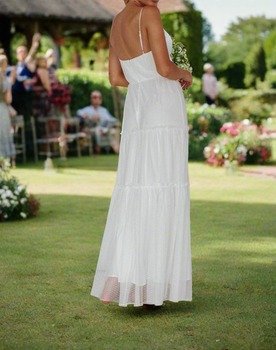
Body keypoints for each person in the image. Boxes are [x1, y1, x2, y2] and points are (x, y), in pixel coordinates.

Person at [90, 0, 193, 308]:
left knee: (137, 188)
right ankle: (151, 288)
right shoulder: (149, 14)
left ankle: (128, 284)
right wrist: (184, 72)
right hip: (162, 106)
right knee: (163, 185)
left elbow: (115, 77)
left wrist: (142, 77)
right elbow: (164, 68)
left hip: (137, 109)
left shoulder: (116, 21)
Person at [77, 90, 119, 154]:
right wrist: (89, 116)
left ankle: (117, 150)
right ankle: (97, 151)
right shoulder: (87, 109)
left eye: (99, 97)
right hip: (92, 130)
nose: (97, 99)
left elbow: (112, 119)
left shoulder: (104, 110)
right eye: (95, 97)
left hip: (105, 129)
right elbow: (79, 112)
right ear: (91, 99)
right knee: (97, 130)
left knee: (114, 131)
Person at [11, 33, 41, 118]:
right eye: (20, 52)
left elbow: (32, 53)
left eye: (24, 52)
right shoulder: (15, 67)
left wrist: (35, 42)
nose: (22, 54)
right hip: (16, 94)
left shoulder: (28, 64)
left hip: (26, 94)